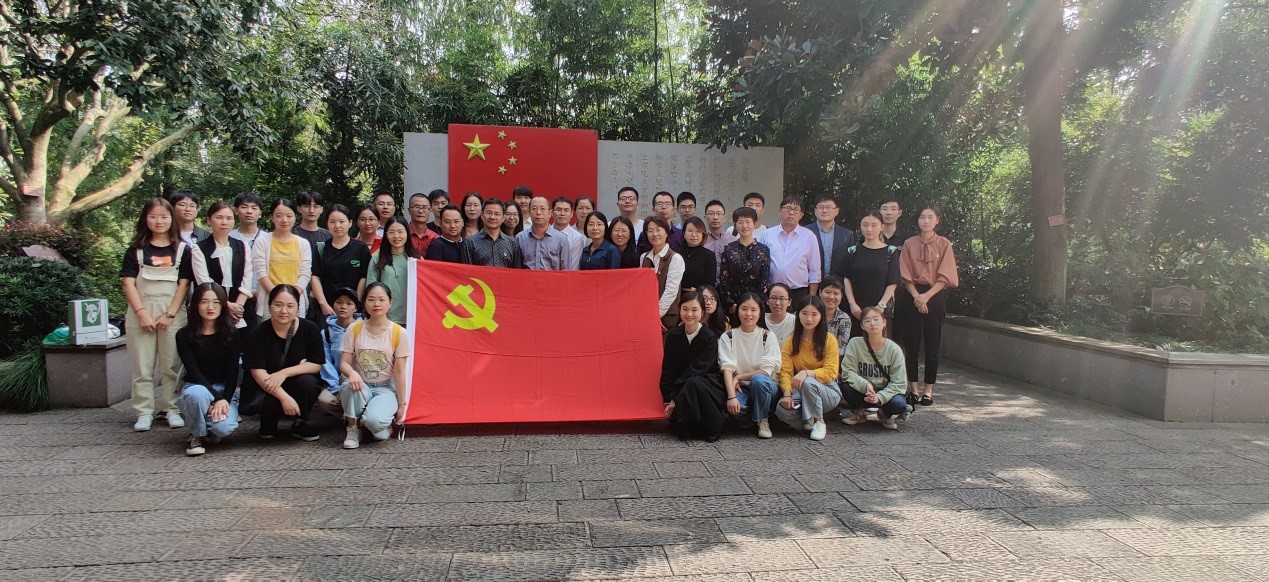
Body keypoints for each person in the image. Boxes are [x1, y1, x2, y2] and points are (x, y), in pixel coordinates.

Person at [121, 198, 193, 431]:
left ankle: (171, 408)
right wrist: (141, 313)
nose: (159, 221)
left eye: (164, 216)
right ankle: (144, 411)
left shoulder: (182, 249)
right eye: (153, 216)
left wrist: (169, 314)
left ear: (172, 219)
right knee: (142, 367)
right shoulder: (136, 250)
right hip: (140, 313)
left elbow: (184, 285)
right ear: (145, 219)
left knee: (172, 365)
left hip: (172, 314)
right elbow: (128, 283)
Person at [244, 284, 325, 441]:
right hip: (267, 387)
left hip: (295, 384)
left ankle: (300, 423)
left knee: (308, 382)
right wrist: (284, 398)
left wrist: (284, 373)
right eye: (278, 305)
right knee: (268, 432)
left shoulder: (310, 329)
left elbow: (316, 364)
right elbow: (258, 373)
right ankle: (269, 421)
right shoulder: (257, 334)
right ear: (269, 306)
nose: (284, 311)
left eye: (290, 306)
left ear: (298, 307)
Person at [899, 204, 959, 406]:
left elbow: (946, 275)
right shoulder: (909, 243)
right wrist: (917, 297)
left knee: (933, 345)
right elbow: (905, 274)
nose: (925, 221)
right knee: (912, 344)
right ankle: (914, 388)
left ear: (937, 220)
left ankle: (928, 389)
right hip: (912, 294)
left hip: (934, 294)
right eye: (922, 217)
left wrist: (926, 297)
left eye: (930, 217)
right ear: (917, 220)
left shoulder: (944, 244)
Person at [339, 282, 412, 449]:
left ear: (390, 303)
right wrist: (352, 373)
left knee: (376, 425)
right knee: (350, 385)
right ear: (364, 303)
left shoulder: (399, 332)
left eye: (381, 299)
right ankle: (352, 428)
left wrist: (402, 405)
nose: (376, 304)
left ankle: (373, 423)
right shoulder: (354, 328)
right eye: (371, 299)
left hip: (385, 388)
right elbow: (344, 363)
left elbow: (400, 372)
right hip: (360, 384)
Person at [176, 282, 242, 456]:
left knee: (224, 428)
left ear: (223, 305)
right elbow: (193, 371)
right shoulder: (184, 335)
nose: (210, 307)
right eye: (204, 302)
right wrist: (216, 398)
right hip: (196, 386)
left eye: (216, 302)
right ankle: (196, 435)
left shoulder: (232, 333)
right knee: (197, 395)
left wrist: (224, 398)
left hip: (223, 388)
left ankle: (206, 426)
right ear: (196, 305)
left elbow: (233, 372)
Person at [660, 291, 727, 442]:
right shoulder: (673, 336)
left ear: (702, 312)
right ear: (679, 310)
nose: (689, 314)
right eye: (685, 309)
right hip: (680, 389)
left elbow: (698, 369)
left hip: (707, 387)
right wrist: (668, 398)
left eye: (694, 310)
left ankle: (715, 425)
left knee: (694, 381)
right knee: (681, 431)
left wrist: (676, 398)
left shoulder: (709, 338)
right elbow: (668, 368)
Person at [774, 295, 841, 441]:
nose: (809, 319)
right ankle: (808, 422)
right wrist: (787, 394)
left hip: (827, 390)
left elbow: (831, 372)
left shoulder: (829, 340)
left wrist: (806, 373)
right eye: (804, 313)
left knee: (808, 381)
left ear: (821, 316)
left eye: (814, 314)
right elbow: (785, 372)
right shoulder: (791, 341)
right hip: (800, 391)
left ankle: (819, 422)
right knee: (781, 410)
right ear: (798, 315)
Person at [718, 293, 783, 439]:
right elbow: (727, 367)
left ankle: (762, 420)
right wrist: (731, 397)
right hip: (741, 388)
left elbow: (766, 371)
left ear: (760, 313)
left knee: (758, 380)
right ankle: (753, 413)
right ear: (737, 311)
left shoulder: (768, 336)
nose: (748, 314)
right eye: (744, 309)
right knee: (738, 410)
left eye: (753, 310)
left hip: (766, 386)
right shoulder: (728, 336)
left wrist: (738, 377)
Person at [840, 306, 912, 429]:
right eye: (867, 320)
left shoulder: (894, 349)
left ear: (884, 322)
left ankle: (884, 414)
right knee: (846, 386)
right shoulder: (855, 343)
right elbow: (847, 372)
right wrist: (865, 385)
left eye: (876, 319)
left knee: (899, 404)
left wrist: (880, 396)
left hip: (886, 392)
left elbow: (899, 382)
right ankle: (859, 413)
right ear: (862, 326)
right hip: (864, 391)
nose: (872, 323)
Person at [191, 201, 252, 328]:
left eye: (229, 218)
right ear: (209, 220)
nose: (224, 222)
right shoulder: (199, 249)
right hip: (211, 310)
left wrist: (238, 307)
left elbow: (247, 278)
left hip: (239, 311)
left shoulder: (243, 246)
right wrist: (227, 306)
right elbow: (204, 282)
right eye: (219, 217)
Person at [252, 199, 313, 321]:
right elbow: (261, 273)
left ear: (295, 217)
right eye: (279, 216)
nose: (284, 220)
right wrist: (277, 298)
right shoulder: (262, 241)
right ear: (272, 217)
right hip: (270, 300)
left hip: (296, 300)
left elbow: (305, 273)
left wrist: (292, 297)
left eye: (289, 216)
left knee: (295, 331)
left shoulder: (303, 243)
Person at [842, 211, 901, 338]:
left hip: (881, 309)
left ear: (882, 227)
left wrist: (881, 306)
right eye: (865, 225)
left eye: (874, 225)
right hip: (856, 310)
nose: (869, 229)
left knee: (880, 345)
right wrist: (852, 304)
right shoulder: (852, 251)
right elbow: (847, 279)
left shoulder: (890, 252)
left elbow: (893, 282)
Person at [311, 204, 371, 319]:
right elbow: (315, 276)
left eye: (342, 221)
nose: (337, 225)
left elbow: (363, 277)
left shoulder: (360, 248)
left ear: (350, 223)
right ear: (327, 224)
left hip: (353, 311)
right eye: (332, 222)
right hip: (327, 310)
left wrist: (356, 304)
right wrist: (324, 305)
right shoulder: (321, 248)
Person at [760, 196, 821, 302]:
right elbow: (760, 265)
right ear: (780, 211)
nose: (791, 212)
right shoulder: (767, 235)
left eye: (796, 209)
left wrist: (811, 298)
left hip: (798, 293)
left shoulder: (809, 236)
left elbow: (814, 270)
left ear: (801, 214)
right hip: (772, 292)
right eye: (787, 208)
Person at [719, 206, 771, 317]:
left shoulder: (763, 250)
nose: (744, 226)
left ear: (754, 224)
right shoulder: (729, 249)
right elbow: (724, 279)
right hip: (734, 305)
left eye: (748, 222)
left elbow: (765, 279)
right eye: (740, 222)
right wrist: (731, 303)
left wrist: (756, 303)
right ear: (735, 224)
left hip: (756, 306)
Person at [368, 216, 419, 326]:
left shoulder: (416, 260)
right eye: (391, 232)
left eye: (400, 232)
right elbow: (370, 288)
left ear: (407, 233)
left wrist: (415, 266)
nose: (396, 236)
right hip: (385, 318)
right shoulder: (377, 259)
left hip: (411, 318)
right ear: (386, 235)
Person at [320, 287, 362, 407]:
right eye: (339, 302)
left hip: (362, 381)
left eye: (349, 303)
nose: (343, 306)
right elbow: (326, 362)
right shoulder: (326, 333)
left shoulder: (364, 328)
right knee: (325, 400)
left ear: (356, 308)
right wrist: (336, 388)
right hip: (338, 382)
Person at [641, 217, 685, 331]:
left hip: (667, 317)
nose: (654, 234)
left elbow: (671, 291)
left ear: (666, 232)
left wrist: (655, 315)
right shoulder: (644, 257)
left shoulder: (675, 258)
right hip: (645, 313)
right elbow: (642, 289)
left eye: (658, 230)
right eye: (650, 231)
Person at [230, 191, 264, 328]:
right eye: (244, 207)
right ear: (236, 211)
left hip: (262, 297)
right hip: (234, 299)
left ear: (260, 213)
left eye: (254, 208)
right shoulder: (228, 237)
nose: (249, 211)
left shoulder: (268, 238)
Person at [460, 198, 524, 268]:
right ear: (482, 215)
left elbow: (517, 272)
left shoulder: (513, 244)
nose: (492, 217)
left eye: (497, 214)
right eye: (489, 213)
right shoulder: (470, 243)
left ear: (503, 218)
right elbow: (467, 271)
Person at [517, 196, 569, 271]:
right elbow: (516, 270)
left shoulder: (561, 239)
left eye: (542, 209)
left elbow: (566, 271)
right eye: (534, 208)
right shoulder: (520, 238)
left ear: (550, 213)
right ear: (529, 213)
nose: (538, 212)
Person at [812, 195, 855, 278]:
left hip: (838, 283)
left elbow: (850, 262)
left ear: (836, 211)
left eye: (829, 207)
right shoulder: (805, 232)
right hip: (810, 283)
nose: (824, 210)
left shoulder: (847, 235)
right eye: (821, 207)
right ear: (815, 211)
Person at [701, 200, 737, 285]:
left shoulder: (733, 241)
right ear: (705, 217)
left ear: (725, 218)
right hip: (705, 287)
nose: (715, 217)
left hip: (727, 287)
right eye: (711, 213)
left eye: (719, 213)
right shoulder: (700, 240)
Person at [678, 216, 717, 293]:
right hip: (677, 297)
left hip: (699, 297)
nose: (694, 234)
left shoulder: (709, 256)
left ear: (703, 234)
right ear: (684, 234)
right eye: (690, 231)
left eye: (698, 231)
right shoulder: (676, 254)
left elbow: (709, 285)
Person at [551, 196, 585, 270]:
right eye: (559, 210)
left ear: (571, 214)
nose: (562, 213)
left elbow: (572, 267)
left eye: (566, 210)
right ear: (552, 212)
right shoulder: (544, 232)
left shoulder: (577, 238)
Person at [819, 276, 852, 349]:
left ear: (841, 296)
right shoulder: (809, 312)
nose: (831, 297)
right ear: (820, 293)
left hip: (833, 355)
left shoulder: (844, 319)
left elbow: (841, 348)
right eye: (827, 292)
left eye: (836, 293)